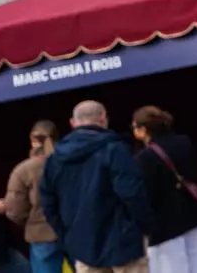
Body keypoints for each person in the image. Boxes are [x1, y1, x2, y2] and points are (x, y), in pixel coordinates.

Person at [39, 101, 154, 273]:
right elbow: (133, 194)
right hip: (124, 244)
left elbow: (48, 205)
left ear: (72, 123)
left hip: (83, 246)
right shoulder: (115, 149)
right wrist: (146, 227)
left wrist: (67, 237)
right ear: (103, 119)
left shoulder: (54, 160)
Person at [130, 106, 197, 273]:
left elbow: (149, 194)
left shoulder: (144, 158)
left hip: (165, 226)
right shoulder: (184, 141)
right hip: (193, 215)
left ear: (143, 129)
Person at [5, 121, 69, 273]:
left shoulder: (23, 170)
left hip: (41, 235)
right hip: (73, 232)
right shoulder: (70, 164)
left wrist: (30, 222)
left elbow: (15, 211)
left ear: (33, 140)